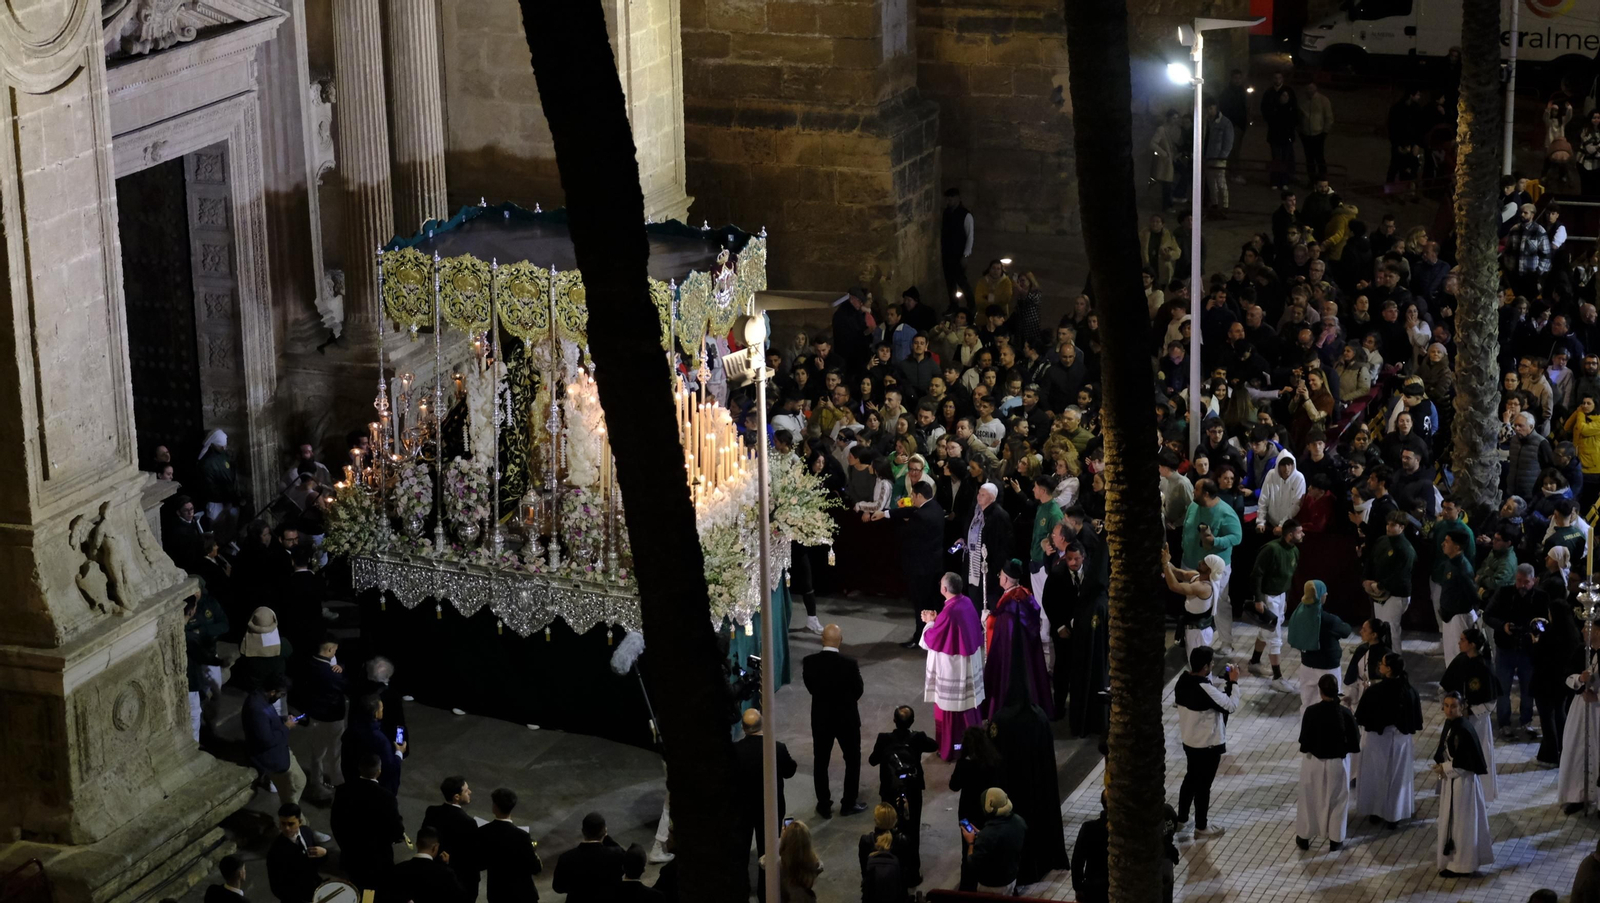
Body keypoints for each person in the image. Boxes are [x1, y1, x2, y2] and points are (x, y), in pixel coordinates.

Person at [918, 573, 986, 760]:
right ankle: (974, 746)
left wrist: (929, 622)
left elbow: (932, 639)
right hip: (967, 663)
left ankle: (951, 748)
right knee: (968, 708)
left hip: (953, 667)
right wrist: (936, 618)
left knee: (951, 711)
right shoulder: (966, 602)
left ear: (944, 589)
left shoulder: (949, 612)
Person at [867, 706, 937, 885]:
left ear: (894, 721)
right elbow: (935, 745)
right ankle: (912, 873)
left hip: (890, 790)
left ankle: (890, 870)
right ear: (912, 722)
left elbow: (872, 760)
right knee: (912, 829)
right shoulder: (918, 738)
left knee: (888, 828)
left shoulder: (884, 739)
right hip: (912, 791)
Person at [803, 623, 866, 819]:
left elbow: (811, 687)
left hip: (821, 719)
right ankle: (848, 803)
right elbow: (858, 690)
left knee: (821, 762)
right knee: (852, 760)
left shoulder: (810, 662)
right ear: (841, 640)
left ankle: (823, 805)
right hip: (846, 719)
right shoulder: (849, 664)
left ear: (822, 640)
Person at [1175, 646, 1238, 841]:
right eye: (1211, 663)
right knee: (1203, 786)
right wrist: (1234, 682)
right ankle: (1201, 827)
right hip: (1207, 746)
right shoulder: (1204, 688)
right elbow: (1230, 705)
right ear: (1204, 667)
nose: (1212, 666)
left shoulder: (1183, 681)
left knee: (1190, 780)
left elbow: (1210, 694)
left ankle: (1182, 819)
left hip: (1190, 742)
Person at [1294, 674, 1362, 852]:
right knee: (1338, 801)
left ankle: (1304, 836)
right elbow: (1355, 743)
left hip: (1313, 763)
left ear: (1320, 690)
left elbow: (1304, 740)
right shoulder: (1345, 714)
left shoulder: (1311, 711)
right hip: (1337, 764)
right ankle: (1336, 839)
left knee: (1309, 799)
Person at [1356, 653, 1423, 829]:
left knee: (1376, 775)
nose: (1380, 665)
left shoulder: (1375, 691)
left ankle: (1375, 812)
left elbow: (1363, 717)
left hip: (1378, 740)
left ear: (1389, 669)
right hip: (1400, 740)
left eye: (1383, 663)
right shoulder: (1409, 691)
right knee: (1397, 777)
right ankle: (1394, 815)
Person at [1433, 691, 1495, 878]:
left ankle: (1463, 865)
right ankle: (1451, 862)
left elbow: (1466, 762)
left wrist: (1444, 768)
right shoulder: (1451, 724)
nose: (1449, 710)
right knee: (1453, 821)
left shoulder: (1464, 729)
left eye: (1453, 706)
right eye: (1446, 705)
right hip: (1452, 782)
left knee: (1463, 824)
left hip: (1463, 784)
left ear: (1462, 708)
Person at [1483, 564, 1549, 739]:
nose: (1521, 585)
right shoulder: (1504, 593)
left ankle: (1526, 721)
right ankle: (1504, 723)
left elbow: (1546, 622)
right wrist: (1502, 626)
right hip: (1505, 650)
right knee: (1503, 689)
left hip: (1528, 652)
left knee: (1528, 689)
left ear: (1534, 581)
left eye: (1526, 582)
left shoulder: (1541, 598)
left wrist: (1535, 631)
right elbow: (1488, 615)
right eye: (1518, 581)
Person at [984, 559, 1054, 719]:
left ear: (1006, 579)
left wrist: (987, 620)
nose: (999, 578)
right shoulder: (1025, 594)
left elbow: (1001, 629)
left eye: (1000, 575)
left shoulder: (1011, 604)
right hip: (1028, 651)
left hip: (1013, 655)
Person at [1181, 479, 1242, 653]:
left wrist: (1216, 540)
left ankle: (1226, 643)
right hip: (1190, 563)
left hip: (1214, 570)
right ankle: (1189, 641)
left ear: (1206, 494)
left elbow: (1236, 537)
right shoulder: (1194, 506)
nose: (1193, 491)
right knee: (1191, 604)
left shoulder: (1226, 513)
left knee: (1220, 604)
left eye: (1196, 490)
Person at [331, 754, 405, 892]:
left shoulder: (343, 790)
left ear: (359, 769)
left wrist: (345, 846)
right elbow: (396, 829)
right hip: (378, 858)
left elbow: (335, 823)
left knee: (356, 887)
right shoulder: (386, 797)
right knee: (376, 890)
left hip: (352, 855)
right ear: (379, 772)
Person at [884, 481, 946, 647]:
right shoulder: (936, 508)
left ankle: (920, 637)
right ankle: (934, 634)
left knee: (920, 603)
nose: (911, 499)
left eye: (912, 495)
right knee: (933, 602)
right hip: (934, 565)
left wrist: (902, 522)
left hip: (920, 568)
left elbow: (905, 534)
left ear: (919, 495)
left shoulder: (921, 516)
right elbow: (913, 510)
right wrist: (887, 513)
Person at [287, 633, 345, 803]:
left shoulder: (306, 664)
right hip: (333, 718)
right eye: (335, 650)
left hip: (314, 717)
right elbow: (344, 686)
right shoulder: (331, 674)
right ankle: (337, 782)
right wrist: (341, 671)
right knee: (335, 752)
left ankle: (316, 782)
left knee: (317, 753)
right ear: (329, 649)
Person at [1247, 518, 1302, 692]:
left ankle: (1254, 662)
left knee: (1266, 631)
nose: (1303, 534)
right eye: (1300, 532)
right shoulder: (1270, 549)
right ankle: (1277, 677)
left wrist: (1285, 598)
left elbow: (1289, 577)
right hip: (1268, 597)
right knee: (1275, 636)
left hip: (1280, 596)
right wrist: (1258, 599)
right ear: (1290, 534)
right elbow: (1256, 575)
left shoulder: (1294, 551)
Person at [735, 709, 798, 858]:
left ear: (744, 728)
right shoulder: (777, 748)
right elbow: (790, 771)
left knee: (742, 848)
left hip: (744, 808)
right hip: (770, 807)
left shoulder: (735, 751)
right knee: (768, 852)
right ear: (762, 724)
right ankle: (766, 881)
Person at [242, 674, 306, 811]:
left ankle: (293, 819)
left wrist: (283, 720)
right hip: (273, 757)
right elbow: (266, 740)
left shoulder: (260, 699)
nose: (280, 697)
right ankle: (293, 823)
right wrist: (286, 727)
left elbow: (267, 723)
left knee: (299, 782)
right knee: (293, 789)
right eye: (281, 694)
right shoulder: (257, 709)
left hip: (280, 751)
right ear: (272, 692)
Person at [1287, 580, 1353, 714]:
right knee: (1330, 704)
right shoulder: (1327, 620)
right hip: (1327, 668)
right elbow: (1346, 631)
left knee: (1307, 703)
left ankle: (1306, 731)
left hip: (1307, 665)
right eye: (1324, 592)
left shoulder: (1299, 613)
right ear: (1319, 596)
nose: (1327, 594)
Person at [1559, 621, 1600, 813]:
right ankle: (1578, 795)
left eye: (1587, 627)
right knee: (1576, 749)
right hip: (1582, 710)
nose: (1583, 630)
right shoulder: (1584, 652)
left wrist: (1597, 697)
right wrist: (1580, 679)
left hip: (1597, 711)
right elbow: (1568, 676)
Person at [477, 788, 542, 903]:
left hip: (497, 893)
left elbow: (480, 864)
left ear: (494, 807)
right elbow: (535, 868)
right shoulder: (522, 836)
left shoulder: (483, 832)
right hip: (523, 893)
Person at [422, 775, 480, 903]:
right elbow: (472, 855)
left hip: (434, 871)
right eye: (466, 790)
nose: (470, 792)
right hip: (458, 877)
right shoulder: (468, 822)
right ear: (456, 797)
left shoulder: (432, 811)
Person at [1363, 510, 1416, 647]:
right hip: (1378, 593)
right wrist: (1366, 580)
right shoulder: (1382, 541)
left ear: (1402, 527)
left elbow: (1400, 575)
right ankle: (1382, 658)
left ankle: (1394, 660)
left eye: (1393, 525)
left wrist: (1379, 586)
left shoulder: (1406, 549)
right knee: (1380, 628)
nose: (1388, 527)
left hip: (1396, 594)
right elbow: (1371, 561)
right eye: (1388, 524)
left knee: (1391, 629)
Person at [962, 788, 1026, 895]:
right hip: (1011, 878)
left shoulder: (988, 835)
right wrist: (982, 834)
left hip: (992, 886)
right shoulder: (1018, 821)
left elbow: (973, 862)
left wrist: (971, 843)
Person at [552, 812, 625, 903]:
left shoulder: (566, 858)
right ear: (604, 831)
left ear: (583, 831)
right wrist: (606, 837)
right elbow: (625, 860)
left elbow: (558, 887)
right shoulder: (616, 855)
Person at [1162, 548, 1223, 657]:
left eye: (1204, 563)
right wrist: (1166, 558)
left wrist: (1165, 564)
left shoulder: (1204, 587)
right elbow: (1178, 572)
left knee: (1199, 667)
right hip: (1192, 629)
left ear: (1210, 571)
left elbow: (1174, 586)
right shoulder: (1197, 576)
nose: (1200, 562)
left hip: (1198, 633)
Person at [1435, 528, 1479, 668]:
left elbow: (1473, 595)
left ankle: (1458, 686)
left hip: (1458, 617)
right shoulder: (1450, 562)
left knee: (1458, 653)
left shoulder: (1463, 568)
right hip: (1448, 615)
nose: (1443, 544)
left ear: (1457, 546)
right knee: (1449, 653)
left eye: (1447, 541)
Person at [383, 827, 462, 903]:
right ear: (435, 847)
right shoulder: (445, 874)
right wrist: (446, 866)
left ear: (417, 844)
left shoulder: (397, 870)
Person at [965, 482, 1012, 609]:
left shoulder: (999, 515)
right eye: (979, 494)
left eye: (983, 495)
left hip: (989, 569)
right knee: (976, 603)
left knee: (990, 605)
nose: (979, 497)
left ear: (992, 498)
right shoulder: (976, 512)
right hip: (974, 566)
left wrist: (995, 569)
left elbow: (1002, 546)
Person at [266, 804, 325, 903]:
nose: (286, 828)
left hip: (314, 888)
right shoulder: (275, 853)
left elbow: (315, 862)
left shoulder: (307, 832)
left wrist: (324, 854)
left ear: (300, 822)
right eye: (283, 824)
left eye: (291, 824)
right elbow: (276, 888)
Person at [858, 804, 913, 903]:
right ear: (895, 821)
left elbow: (864, 871)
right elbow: (906, 873)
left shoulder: (865, 841)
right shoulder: (902, 841)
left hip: (872, 896)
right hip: (897, 895)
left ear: (876, 820)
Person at [1069, 791, 1110, 903]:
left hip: (1094, 889)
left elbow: (1077, 861)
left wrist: (1079, 888)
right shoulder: (1128, 830)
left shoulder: (1089, 829)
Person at [941, 188, 975, 306]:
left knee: (961, 281)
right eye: (948, 198)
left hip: (958, 254)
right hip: (947, 254)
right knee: (950, 282)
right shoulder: (946, 213)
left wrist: (965, 255)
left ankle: (971, 305)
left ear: (957, 198)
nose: (949, 201)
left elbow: (970, 236)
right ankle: (953, 306)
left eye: (951, 198)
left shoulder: (966, 215)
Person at [778, 820, 823, 902]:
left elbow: (763, 861)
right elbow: (820, 866)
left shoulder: (780, 866)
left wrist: (782, 837)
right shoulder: (814, 863)